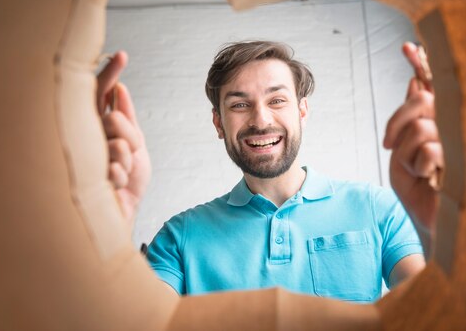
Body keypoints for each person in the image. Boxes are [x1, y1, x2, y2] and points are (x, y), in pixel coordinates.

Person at [96, 40, 442, 302]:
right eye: (239, 105)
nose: (260, 120)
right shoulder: (178, 237)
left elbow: (438, 314)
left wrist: (441, 224)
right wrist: (103, 226)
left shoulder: (376, 207)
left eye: (277, 100)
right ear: (219, 123)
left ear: (302, 111)